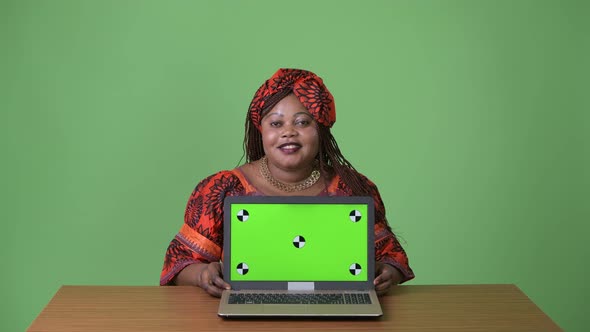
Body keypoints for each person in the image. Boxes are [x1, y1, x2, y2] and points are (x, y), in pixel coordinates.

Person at [160, 68, 414, 297]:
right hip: (244, 314)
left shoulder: (352, 188)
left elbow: (391, 258)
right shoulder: (221, 189)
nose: (288, 131)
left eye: (303, 122)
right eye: (276, 123)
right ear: (261, 130)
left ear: (321, 129)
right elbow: (180, 264)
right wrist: (204, 274)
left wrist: (387, 273)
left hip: (337, 312)